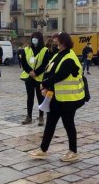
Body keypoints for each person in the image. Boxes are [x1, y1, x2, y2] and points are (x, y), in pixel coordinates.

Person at [28, 32, 85, 162]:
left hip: (69, 99)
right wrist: (46, 87)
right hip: (56, 97)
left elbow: (60, 75)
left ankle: (73, 152)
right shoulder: (58, 55)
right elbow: (50, 71)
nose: (54, 42)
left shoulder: (69, 57)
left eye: (56, 39)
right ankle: (43, 149)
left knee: (68, 124)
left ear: (63, 41)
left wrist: (44, 83)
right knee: (50, 124)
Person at [20, 32, 49, 126]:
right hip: (29, 77)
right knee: (30, 97)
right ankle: (29, 116)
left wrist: (36, 72)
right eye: (33, 37)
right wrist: (30, 71)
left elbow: (45, 64)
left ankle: (41, 117)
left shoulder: (45, 50)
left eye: (36, 37)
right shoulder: (26, 49)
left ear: (40, 39)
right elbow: (23, 62)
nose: (34, 39)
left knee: (40, 97)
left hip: (39, 77)